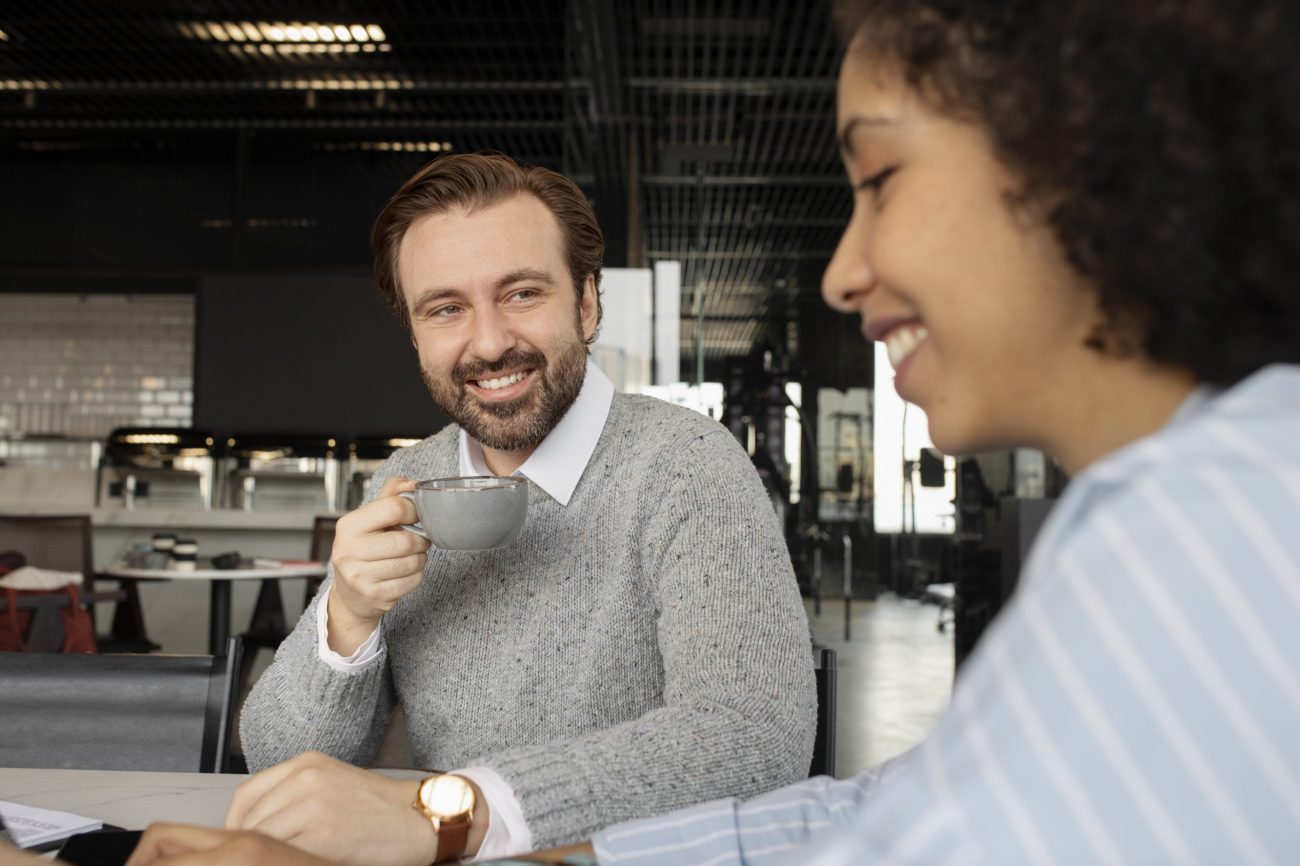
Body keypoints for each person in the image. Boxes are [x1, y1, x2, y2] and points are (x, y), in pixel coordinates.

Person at [582, 0, 1300, 863]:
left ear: (1089, 146)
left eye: (880, 179)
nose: (842, 276)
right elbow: (911, 806)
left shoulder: (1204, 539)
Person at [234, 153, 816, 865]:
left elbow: (753, 735)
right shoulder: (409, 478)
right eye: (446, 309)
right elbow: (276, 766)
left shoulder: (686, 463)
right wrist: (348, 618)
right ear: (415, 333)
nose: (488, 342)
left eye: (521, 294)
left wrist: (453, 816)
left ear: (587, 303)